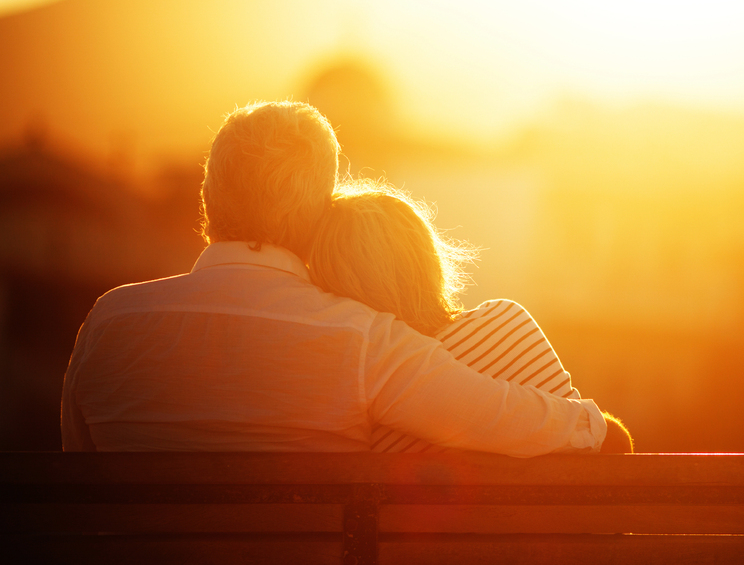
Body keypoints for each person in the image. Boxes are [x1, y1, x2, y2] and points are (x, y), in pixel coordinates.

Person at [61, 101, 625, 456]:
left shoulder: (108, 322)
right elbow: (500, 416)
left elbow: (75, 484)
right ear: (317, 211)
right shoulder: (361, 341)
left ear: (209, 195)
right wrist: (592, 427)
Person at [308, 179, 633, 453]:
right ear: (428, 257)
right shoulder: (507, 322)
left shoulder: (363, 394)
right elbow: (608, 444)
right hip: (565, 527)